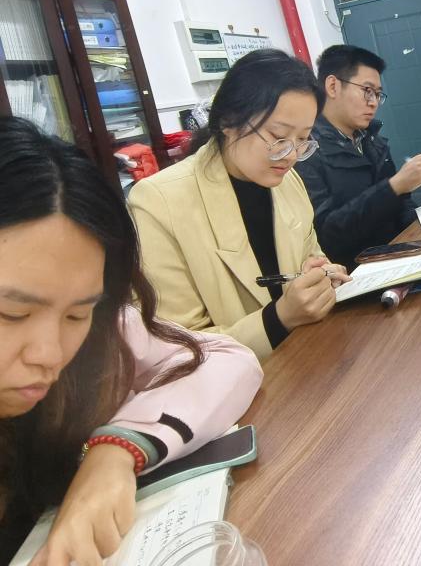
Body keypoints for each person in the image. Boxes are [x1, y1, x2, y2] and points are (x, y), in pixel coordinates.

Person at [0, 116, 262, 565]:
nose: (50, 354)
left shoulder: (102, 333)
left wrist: (116, 450)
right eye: (12, 314)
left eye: (76, 313)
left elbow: (226, 358)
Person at [128, 50, 349, 361]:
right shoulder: (157, 202)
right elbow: (171, 345)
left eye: (303, 139)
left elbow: (311, 255)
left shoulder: (288, 182)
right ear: (228, 121)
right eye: (278, 136)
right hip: (231, 381)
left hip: (304, 356)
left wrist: (322, 276)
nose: (291, 155)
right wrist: (279, 318)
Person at [297, 45, 421, 266]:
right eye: (367, 91)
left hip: (400, 255)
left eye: (378, 94)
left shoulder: (370, 138)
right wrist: (394, 187)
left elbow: (401, 203)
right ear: (332, 86)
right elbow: (328, 237)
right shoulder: (307, 151)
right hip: (357, 271)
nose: (374, 102)